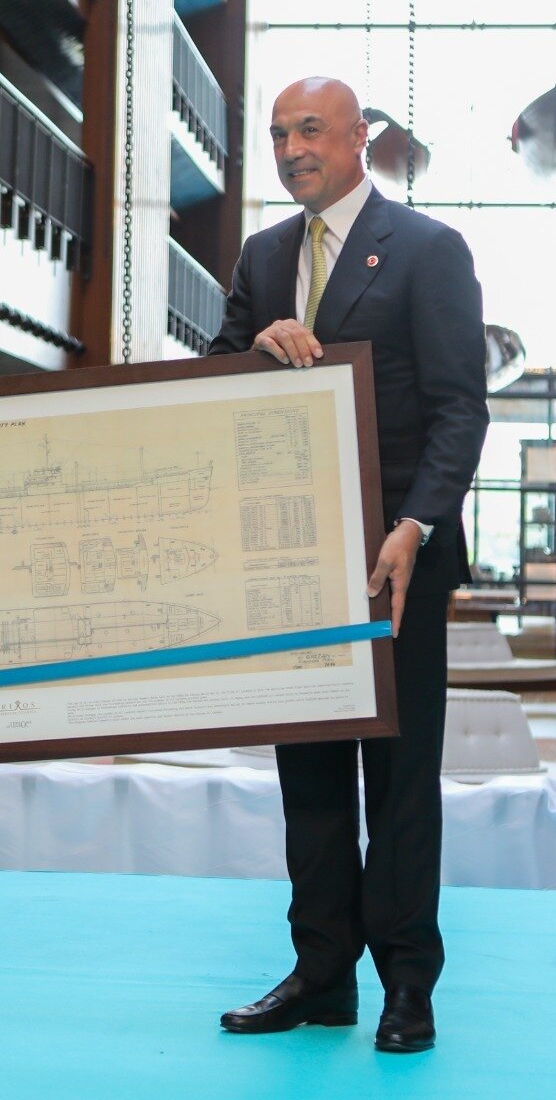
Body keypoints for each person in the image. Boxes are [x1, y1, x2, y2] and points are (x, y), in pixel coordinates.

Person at [208, 77, 488, 1051]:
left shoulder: (428, 249)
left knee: (399, 781)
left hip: (396, 561)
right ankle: (320, 973)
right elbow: (216, 377)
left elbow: (460, 408)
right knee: (312, 779)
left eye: (310, 130)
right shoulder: (262, 256)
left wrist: (417, 525)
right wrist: (256, 345)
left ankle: (408, 985)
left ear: (359, 137)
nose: (291, 149)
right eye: (278, 134)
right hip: (296, 555)